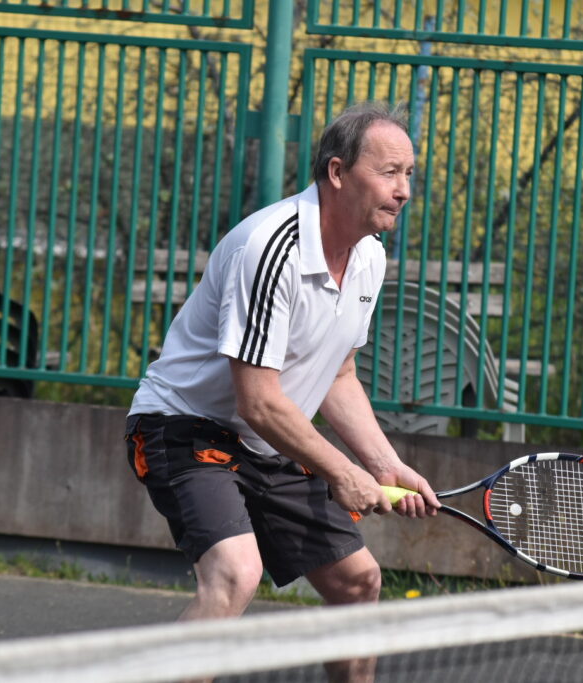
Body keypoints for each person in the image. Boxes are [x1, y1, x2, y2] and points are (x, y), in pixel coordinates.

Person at [124, 101, 439, 680]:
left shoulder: (370, 259)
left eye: (409, 174)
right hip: (184, 427)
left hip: (266, 439)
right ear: (338, 172)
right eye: (390, 172)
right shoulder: (272, 247)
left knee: (358, 582)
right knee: (234, 573)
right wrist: (342, 472)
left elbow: (338, 375)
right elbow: (259, 400)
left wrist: (384, 463)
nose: (404, 191)